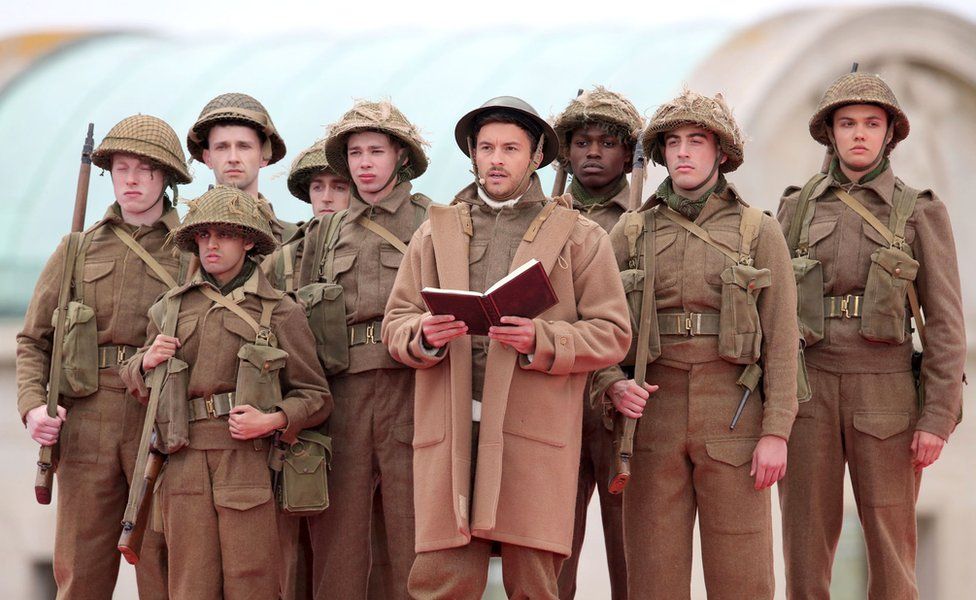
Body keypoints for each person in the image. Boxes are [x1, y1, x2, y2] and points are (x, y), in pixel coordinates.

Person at [383, 95, 631, 599]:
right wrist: (423, 336)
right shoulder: (433, 233)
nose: (497, 159)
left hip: (532, 435)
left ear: (537, 156)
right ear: (473, 154)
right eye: (487, 147)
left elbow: (611, 332)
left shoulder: (579, 238)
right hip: (450, 432)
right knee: (441, 583)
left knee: (534, 583)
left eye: (511, 148)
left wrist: (541, 339)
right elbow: (397, 323)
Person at [593, 89, 798, 599]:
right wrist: (612, 385)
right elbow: (596, 325)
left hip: (734, 411)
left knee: (743, 575)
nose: (683, 152)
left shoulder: (758, 230)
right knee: (653, 575)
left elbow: (782, 337)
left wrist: (777, 431)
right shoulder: (631, 231)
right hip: (651, 417)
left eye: (697, 140)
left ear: (721, 152)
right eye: (674, 142)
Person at [777, 71, 966, 599]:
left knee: (891, 549)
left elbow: (947, 323)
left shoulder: (920, 210)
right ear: (829, 134)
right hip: (809, 388)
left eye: (871, 123)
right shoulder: (795, 208)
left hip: (885, 390)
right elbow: (772, 313)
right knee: (804, 547)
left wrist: (937, 417)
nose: (858, 133)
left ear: (890, 134)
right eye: (847, 123)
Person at [120, 185, 330, 599]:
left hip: (247, 461)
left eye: (224, 234)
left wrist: (273, 419)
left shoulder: (280, 311)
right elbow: (140, 387)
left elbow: (316, 395)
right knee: (189, 586)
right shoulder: (169, 309)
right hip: (184, 460)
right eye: (203, 236)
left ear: (249, 240)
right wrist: (144, 363)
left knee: (251, 584)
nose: (211, 245)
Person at [17, 114, 192, 599]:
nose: (131, 180)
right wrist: (33, 407)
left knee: (163, 569)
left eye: (145, 169)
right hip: (87, 418)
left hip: (158, 419)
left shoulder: (193, 249)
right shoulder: (77, 248)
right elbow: (34, 340)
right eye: (120, 168)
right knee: (80, 573)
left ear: (167, 177)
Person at [298, 100, 431, 600]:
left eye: (376, 150)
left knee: (415, 538)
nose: (365, 163)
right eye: (355, 153)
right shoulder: (326, 232)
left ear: (400, 155)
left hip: (413, 386)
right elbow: (302, 313)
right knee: (339, 544)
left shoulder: (434, 221)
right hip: (344, 393)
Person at [550, 86, 643, 600]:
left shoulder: (649, 220)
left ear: (628, 153)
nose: (592, 152)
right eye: (581, 141)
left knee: (633, 552)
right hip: (557, 398)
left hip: (625, 406)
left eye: (606, 143)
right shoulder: (543, 222)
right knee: (551, 549)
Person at [186, 92, 298, 242]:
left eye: (244, 147)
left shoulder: (295, 240)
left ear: (264, 156)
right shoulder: (185, 240)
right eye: (222, 147)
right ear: (208, 158)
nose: (233, 158)